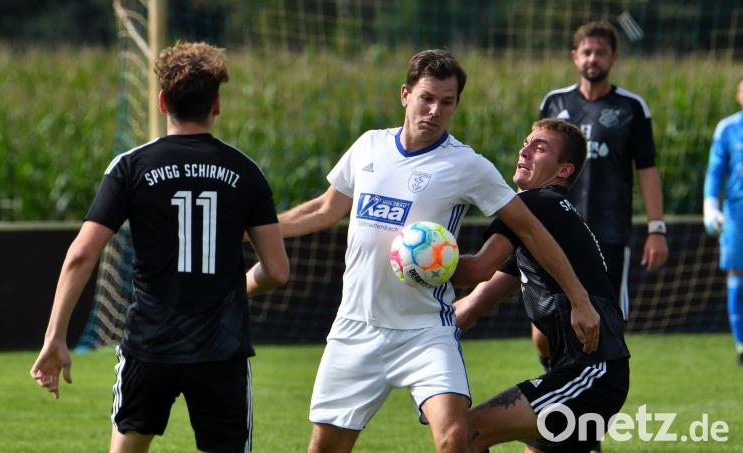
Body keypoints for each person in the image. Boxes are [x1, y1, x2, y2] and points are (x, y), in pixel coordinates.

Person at [276, 49, 598, 453]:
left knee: (454, 437)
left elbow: (532, 229)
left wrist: (579, 298)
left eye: (446, 102)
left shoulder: (467, 165)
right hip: (356, 326)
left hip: (426, 329)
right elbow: (324, 209)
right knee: (325, 448)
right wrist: (257, 230)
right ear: (405, 95)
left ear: (456, 105)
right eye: (426, 98)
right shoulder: (369, 146)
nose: (435, 110)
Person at [29, 41, 289, 453]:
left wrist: (55, 336)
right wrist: (236, 287)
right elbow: (277, 270)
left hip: (149, 346)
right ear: (216, 105)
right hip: (220, 350)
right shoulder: (246, 171)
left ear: (162, 101)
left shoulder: (130, 167)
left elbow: (81, 254)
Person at [453, 118, 630, 453]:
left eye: (540, 147)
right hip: (587, 374)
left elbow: (477, 268)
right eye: (526, 144)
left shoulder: (536, 204)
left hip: (590, 374)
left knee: (466, 433)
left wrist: (422, 265)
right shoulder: (543, 223)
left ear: (564, 170)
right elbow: (475, 303)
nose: (525, 151)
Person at [535, 19, 667, 371]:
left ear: (614, 57)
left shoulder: (631, 107)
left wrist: (657, 229)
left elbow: (647, 169)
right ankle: (560, 381)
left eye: (601, 52)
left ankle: (592, 390)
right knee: (542, 332)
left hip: (607, 235)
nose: (593, 58)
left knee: (605, 325)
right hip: (554, 232)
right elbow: (533, 163)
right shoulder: (555, 102)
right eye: (587, 52)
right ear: (575, 56)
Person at [703, 75, 743, 367]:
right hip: (737, 215)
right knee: (737, 279)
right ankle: (742, 344)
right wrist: (710, 204)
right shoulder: (728, 128)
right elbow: (715, 169)